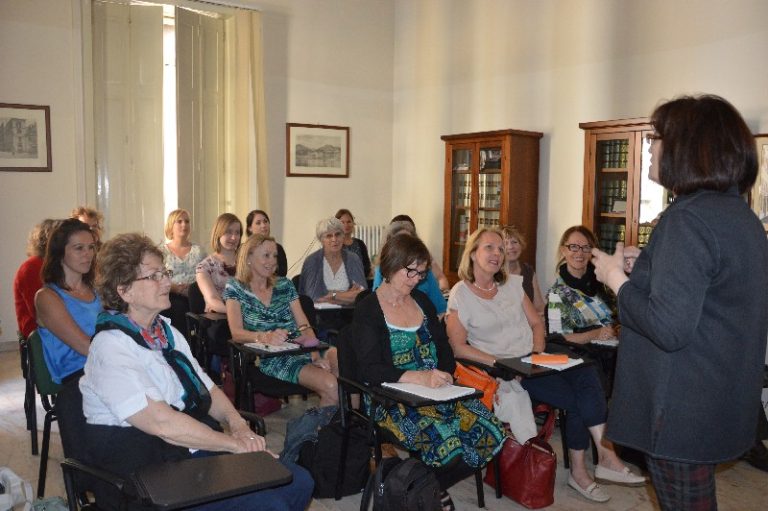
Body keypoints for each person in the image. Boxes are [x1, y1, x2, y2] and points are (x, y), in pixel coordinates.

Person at [591, 94, 768, 510]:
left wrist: (615, 279)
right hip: (716, 396)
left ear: (689, 148)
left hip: (679, 406)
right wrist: (649, 266)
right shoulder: (737, 215)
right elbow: (712, 296)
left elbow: (668, 328)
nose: (652, 148)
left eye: (658, 138)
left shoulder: (687, 218)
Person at [78, 233, 313, 510]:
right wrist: (234, 445)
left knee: (299, 481)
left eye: (164, 273)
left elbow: (208, 388)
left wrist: (238, 426)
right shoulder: (110, 347)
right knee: (269, 504)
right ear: (124, 290)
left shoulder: (166, 332)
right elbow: (163, 424)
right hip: (148, 469)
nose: (166, 281)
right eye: (153, 276)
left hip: (185, 448)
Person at [446, 227, 644, 503]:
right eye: (489, 248)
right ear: (473, 253)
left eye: (500, 249)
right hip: (503, 370)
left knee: (585, 369)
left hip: (532, 360)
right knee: (577, 400)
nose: (496, 254)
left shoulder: (511, 285)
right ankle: (586, 469)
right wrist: (501, 364)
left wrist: (536, 352)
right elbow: (459, 348)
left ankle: (603, 455)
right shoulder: (461, 294)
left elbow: (538, 323)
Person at [353, 233, 505, 509]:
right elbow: (370, 368)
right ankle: (424, 488)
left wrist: (445, 374)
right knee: (444, 439)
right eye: (410, 271)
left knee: (491, 430)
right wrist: (418, 377)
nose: (415, 279)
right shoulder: (368, 309)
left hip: (437, 391)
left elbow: (444, 348)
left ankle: (423, 485)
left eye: (421, 273)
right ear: (391, 265)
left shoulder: (422, 301)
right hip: (391, 399)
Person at [224, 235, 339, 406]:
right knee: (330, 384)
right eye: (266, 255)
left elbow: (303, 325)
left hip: (306, 346)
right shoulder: (235, 288)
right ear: (248, 258)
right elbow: (236, 333)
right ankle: (322, 431)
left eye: (275, 256)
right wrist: (264, 337)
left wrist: (314, 355)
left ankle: (350, 427)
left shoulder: (285, 285)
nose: (272, 261)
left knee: (344, 362)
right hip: (277, 357)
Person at [34, 218, 101, 384]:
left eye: (91, 247)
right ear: (59, 253)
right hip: (77, 377)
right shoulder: (47, 297)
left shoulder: (96, 290)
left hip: (106, 367)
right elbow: (86, 347)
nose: (88, 254)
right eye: (79, 248)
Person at [547, 226, 617, 344]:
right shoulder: (557, 294)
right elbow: (558, 339)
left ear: (592, 252)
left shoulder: (604, 281)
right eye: (573, 247)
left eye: (586, 247)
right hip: (588, 356)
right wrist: (596, 333)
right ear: (563, 250)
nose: (580, 253)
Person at [372, 220, 447, 317]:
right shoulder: (382, 270)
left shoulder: (425, 273)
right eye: (401, 242)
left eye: (409, 241)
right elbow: (377, 304)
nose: (416, 280)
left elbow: (441, 309)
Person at [298, 217, 366, 304]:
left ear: (343, 236)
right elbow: (313, 297)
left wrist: (333, 295)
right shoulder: (312, 261)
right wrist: (348, 294)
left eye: (338, 234)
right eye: (329, 236)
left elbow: (361, 295)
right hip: (319, 315)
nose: (334, 239)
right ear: (321, 240)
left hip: (349, 314)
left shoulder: (353, 259)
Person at [14, 218, 60, 339]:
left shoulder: (51, 264)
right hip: (39, 332)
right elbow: (39, 311)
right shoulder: (32, 266)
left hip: (54, 324)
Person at [391, 214, 450, 292]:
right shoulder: (385, 265)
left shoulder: (424, 260)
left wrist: (442, 290)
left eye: (408, 239)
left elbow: (441, 278)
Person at [196, 213, 242, 313]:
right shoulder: (204, 267)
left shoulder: (248, 262)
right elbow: (213, 300)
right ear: (218, 233)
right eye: (228, 232)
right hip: (221, 320)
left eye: (237, 233)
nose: (234, 237)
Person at [160, 209, 206, 297]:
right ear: (171, 225)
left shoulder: (199, 251)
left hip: (197, 296)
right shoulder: (162, 252)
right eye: (179, 221)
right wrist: (176, 289)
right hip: (171, 296)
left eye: (187, 221)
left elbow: (208, 275)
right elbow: (158, 279)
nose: (184, 224)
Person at [501, 225, 545, 315]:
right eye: (505, 243)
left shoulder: (529, 271)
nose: (510, 247)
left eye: (514, 242)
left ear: (521, 245)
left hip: (527, 326)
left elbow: (539, 306)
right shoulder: (494, 273)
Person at [246, 209, 288, 277]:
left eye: (265, 221)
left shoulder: (277, 248)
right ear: (250, 228)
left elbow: (282, 272)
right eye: (258, 223)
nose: (263, 225)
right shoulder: (244, 249)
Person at [335, 208, 372, 278]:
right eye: (342, 222)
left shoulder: (360, 243)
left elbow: (367, 266)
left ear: (353, 223)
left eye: (349, 221)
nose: (346, 225)